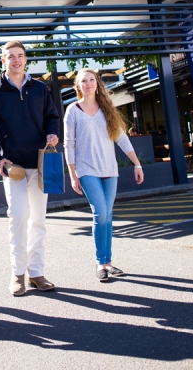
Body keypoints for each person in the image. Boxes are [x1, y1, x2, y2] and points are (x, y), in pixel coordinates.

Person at [0, 40, 60, 296]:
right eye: (11, 56)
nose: (16, 60)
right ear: (2, 60)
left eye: (20, 56)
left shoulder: (39, 88)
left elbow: (52, 116)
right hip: (12, 167)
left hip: (39, 163)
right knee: (18, 218)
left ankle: (36, 273)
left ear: (26, 59)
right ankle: (18, 275)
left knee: (38, 220)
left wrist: (52, 134)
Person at [64, 68, 144, 282]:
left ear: (97, 83)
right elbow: (69, 145)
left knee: (107, 215)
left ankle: (108, 262)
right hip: (86, 169)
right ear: (78, 86)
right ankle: (100, 262)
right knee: (100, 213)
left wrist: (137, 164)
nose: (88, 83)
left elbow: (122, 139)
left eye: (92, 80)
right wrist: (73, 175)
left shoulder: (107, 109)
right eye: (84, 81)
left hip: (109, 170)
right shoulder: (73, 110)